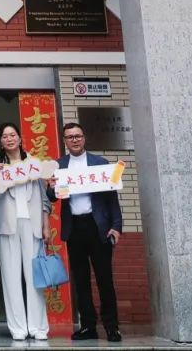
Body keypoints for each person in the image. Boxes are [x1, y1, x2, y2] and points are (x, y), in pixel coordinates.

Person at [49, 122, 123, 343]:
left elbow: (112, 197)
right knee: (81, 280)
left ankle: (112, 327)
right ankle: (88, 326)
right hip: (74, 228)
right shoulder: (59, 165)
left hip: (98, 226)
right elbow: (52, 197)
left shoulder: (100, 163)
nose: (74, 140)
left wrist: (116, 226)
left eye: (78, 136)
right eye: (70, 137)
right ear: (64, 141)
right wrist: (50, 186)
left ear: (84, 138)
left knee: (104, 278)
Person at [0, 122, 51, 342]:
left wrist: (46, 225)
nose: (9, 139)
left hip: (32, 224)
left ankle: (38, 327)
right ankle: (17, 327)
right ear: (0, 142)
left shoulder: (34, 163)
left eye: (12, 135)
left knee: (34, 277)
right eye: (4, 136)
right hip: (7, 225)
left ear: (20, 138)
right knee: (11, 277)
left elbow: (44, 198)